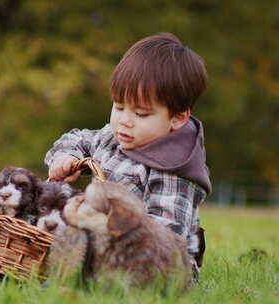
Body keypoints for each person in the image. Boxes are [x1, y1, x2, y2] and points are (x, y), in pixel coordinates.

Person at [45, 32, 210, 282]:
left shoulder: (174, 168)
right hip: (103, 245)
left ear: (177, 118)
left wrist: (104, 230)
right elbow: (77, 138)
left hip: (157, 265)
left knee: (75, 258)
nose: (124, 120)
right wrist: (65, 157)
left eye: (142, 114)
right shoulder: (115, 135)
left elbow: (165, 238)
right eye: (119, 106)